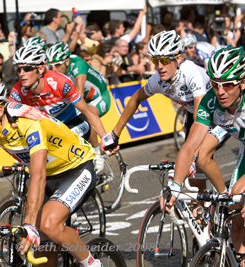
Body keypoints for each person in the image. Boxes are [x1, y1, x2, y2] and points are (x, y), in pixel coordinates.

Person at [0, 73, 102, 267]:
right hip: (51, 174)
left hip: (76, 168)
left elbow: (38, 175)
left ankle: (92, 264)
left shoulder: (27, 123)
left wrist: (28, 223)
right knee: (42, 252)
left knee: (48, 225)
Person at [109, 30, 229, 195]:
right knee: (195, 178)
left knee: (200, 157)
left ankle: (225, 198)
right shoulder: (157, 80)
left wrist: (193, 154)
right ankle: (203, 211)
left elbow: (200, 114)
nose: (159, 66)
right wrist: (115, 134)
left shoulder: (190, 72)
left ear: (178, 58)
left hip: (220, 115)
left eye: (165, 60)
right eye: (156, 60)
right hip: (195, 116)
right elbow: (136, 98)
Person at [162, 45, 245, 264]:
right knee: (236, 210)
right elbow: (190, 146)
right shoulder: (210, 100)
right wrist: (176, 185)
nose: (221, 92)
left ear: (243, 82)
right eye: (216, 84)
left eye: (228, 84)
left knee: (240, 191)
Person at [46, 42, 111, 149]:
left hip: (100, 96)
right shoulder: (55, 69)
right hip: (85, 99)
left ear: (67, 61)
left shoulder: (77, 63)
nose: (53, 69)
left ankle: (98, 152)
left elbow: (78, 93)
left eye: (57, 65)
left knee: (86, 116)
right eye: (50, 65)